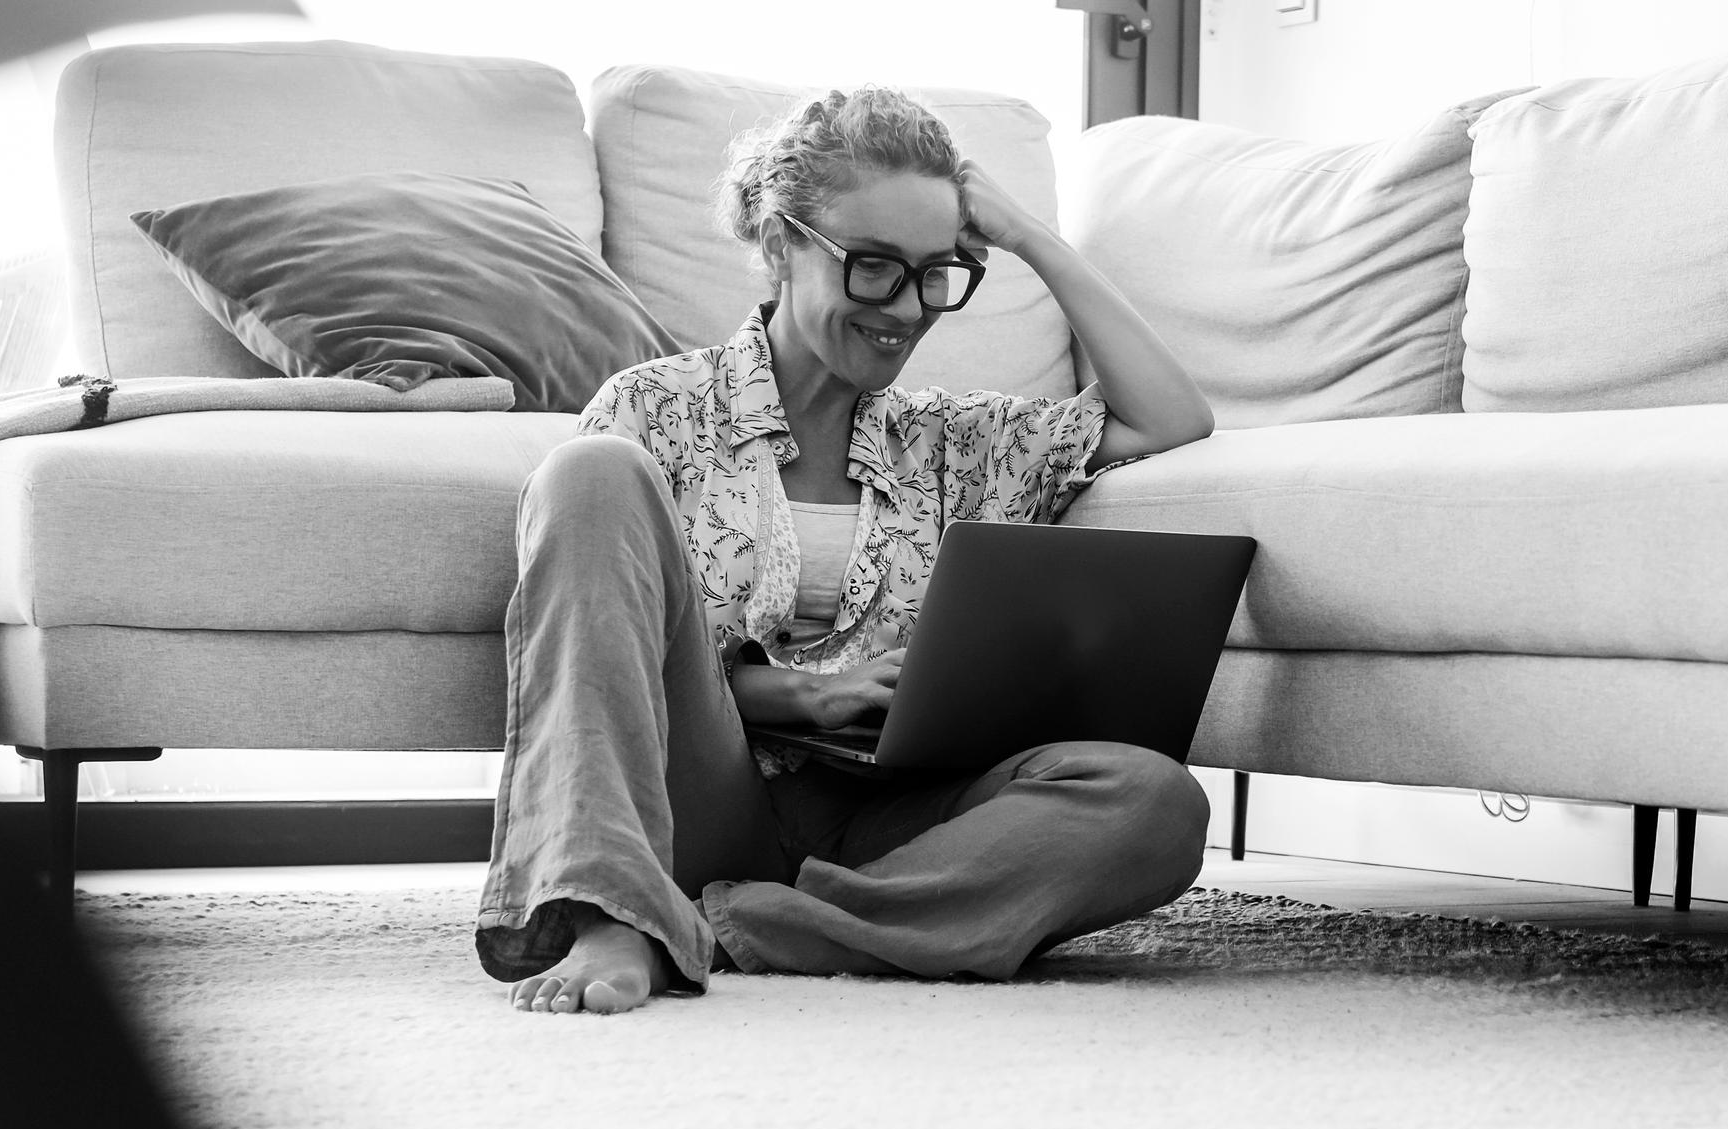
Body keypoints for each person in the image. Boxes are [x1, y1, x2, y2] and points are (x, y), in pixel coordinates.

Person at [475, 85, 1216, 1014]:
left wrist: (1031, 236)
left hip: (888, 821)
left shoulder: (958, 440)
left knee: (1152, 800)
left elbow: (1170, 415)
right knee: (586, 473)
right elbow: (610, 651)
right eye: (873, 268)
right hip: (704, 794)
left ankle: (731, 927)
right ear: (783, 245)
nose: (906, 308)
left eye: (935, 272)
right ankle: (615, 906)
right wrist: (794, 691)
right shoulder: (651, 411)